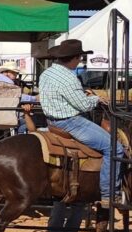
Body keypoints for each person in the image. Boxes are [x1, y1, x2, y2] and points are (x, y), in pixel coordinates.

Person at [39, 39, 123, 208]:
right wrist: (97, 99)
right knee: (115, 148)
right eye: (80, 58)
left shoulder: (46, 73)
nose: (80, 61)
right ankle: (109, 194)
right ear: (74, 58)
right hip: (71, 122)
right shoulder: (69, 79)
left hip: (52, 121)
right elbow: (82, 105)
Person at [0, 61, 38, 134]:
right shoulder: (8, 84)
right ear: (6, 72)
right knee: (33, 121)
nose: (16, 75)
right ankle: (18, 139)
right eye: (14, 72)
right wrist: (35, 98)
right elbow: (18, 97)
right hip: (6, 118)